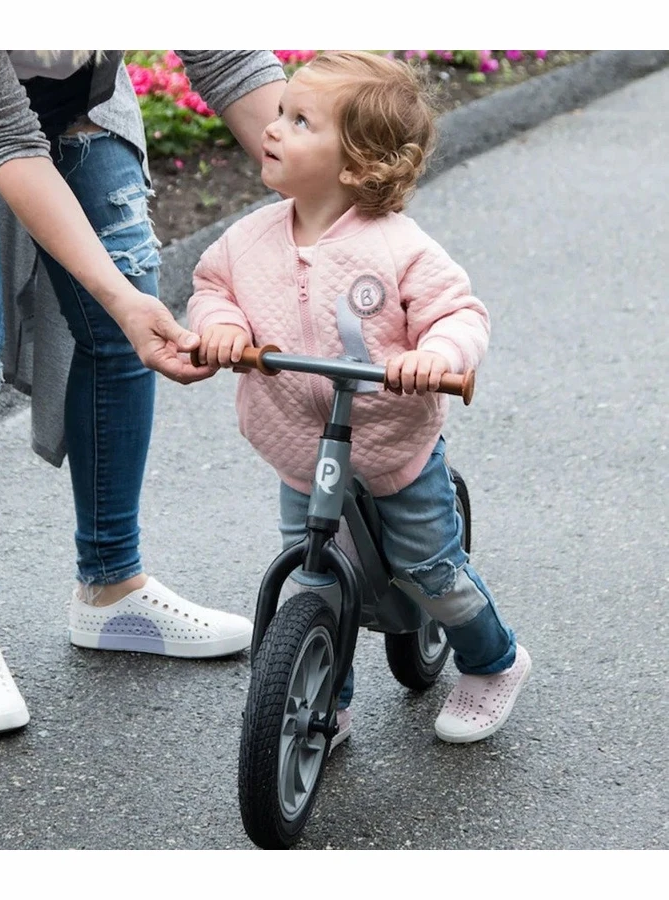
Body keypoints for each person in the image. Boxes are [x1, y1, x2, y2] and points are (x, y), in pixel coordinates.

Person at [0, 50, 286, 735]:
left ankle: (112, 588)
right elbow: (4, 135)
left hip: (79, 93)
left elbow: (229, 56)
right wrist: (118, 301)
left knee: (128, 293)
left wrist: (348, 204)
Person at [187, 50, 531, 746]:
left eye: (300, 120)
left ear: (356, 165)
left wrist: (433, 356)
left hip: (392, 445)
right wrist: (220, 327)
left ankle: (492, 662)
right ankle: (326, 700)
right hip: (300, 449)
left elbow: (459, 314)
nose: (273, 128)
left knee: (431, 571)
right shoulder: (250, 238)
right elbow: (211, 286)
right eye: (280, 112)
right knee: (313, 579)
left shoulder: (399, 248)